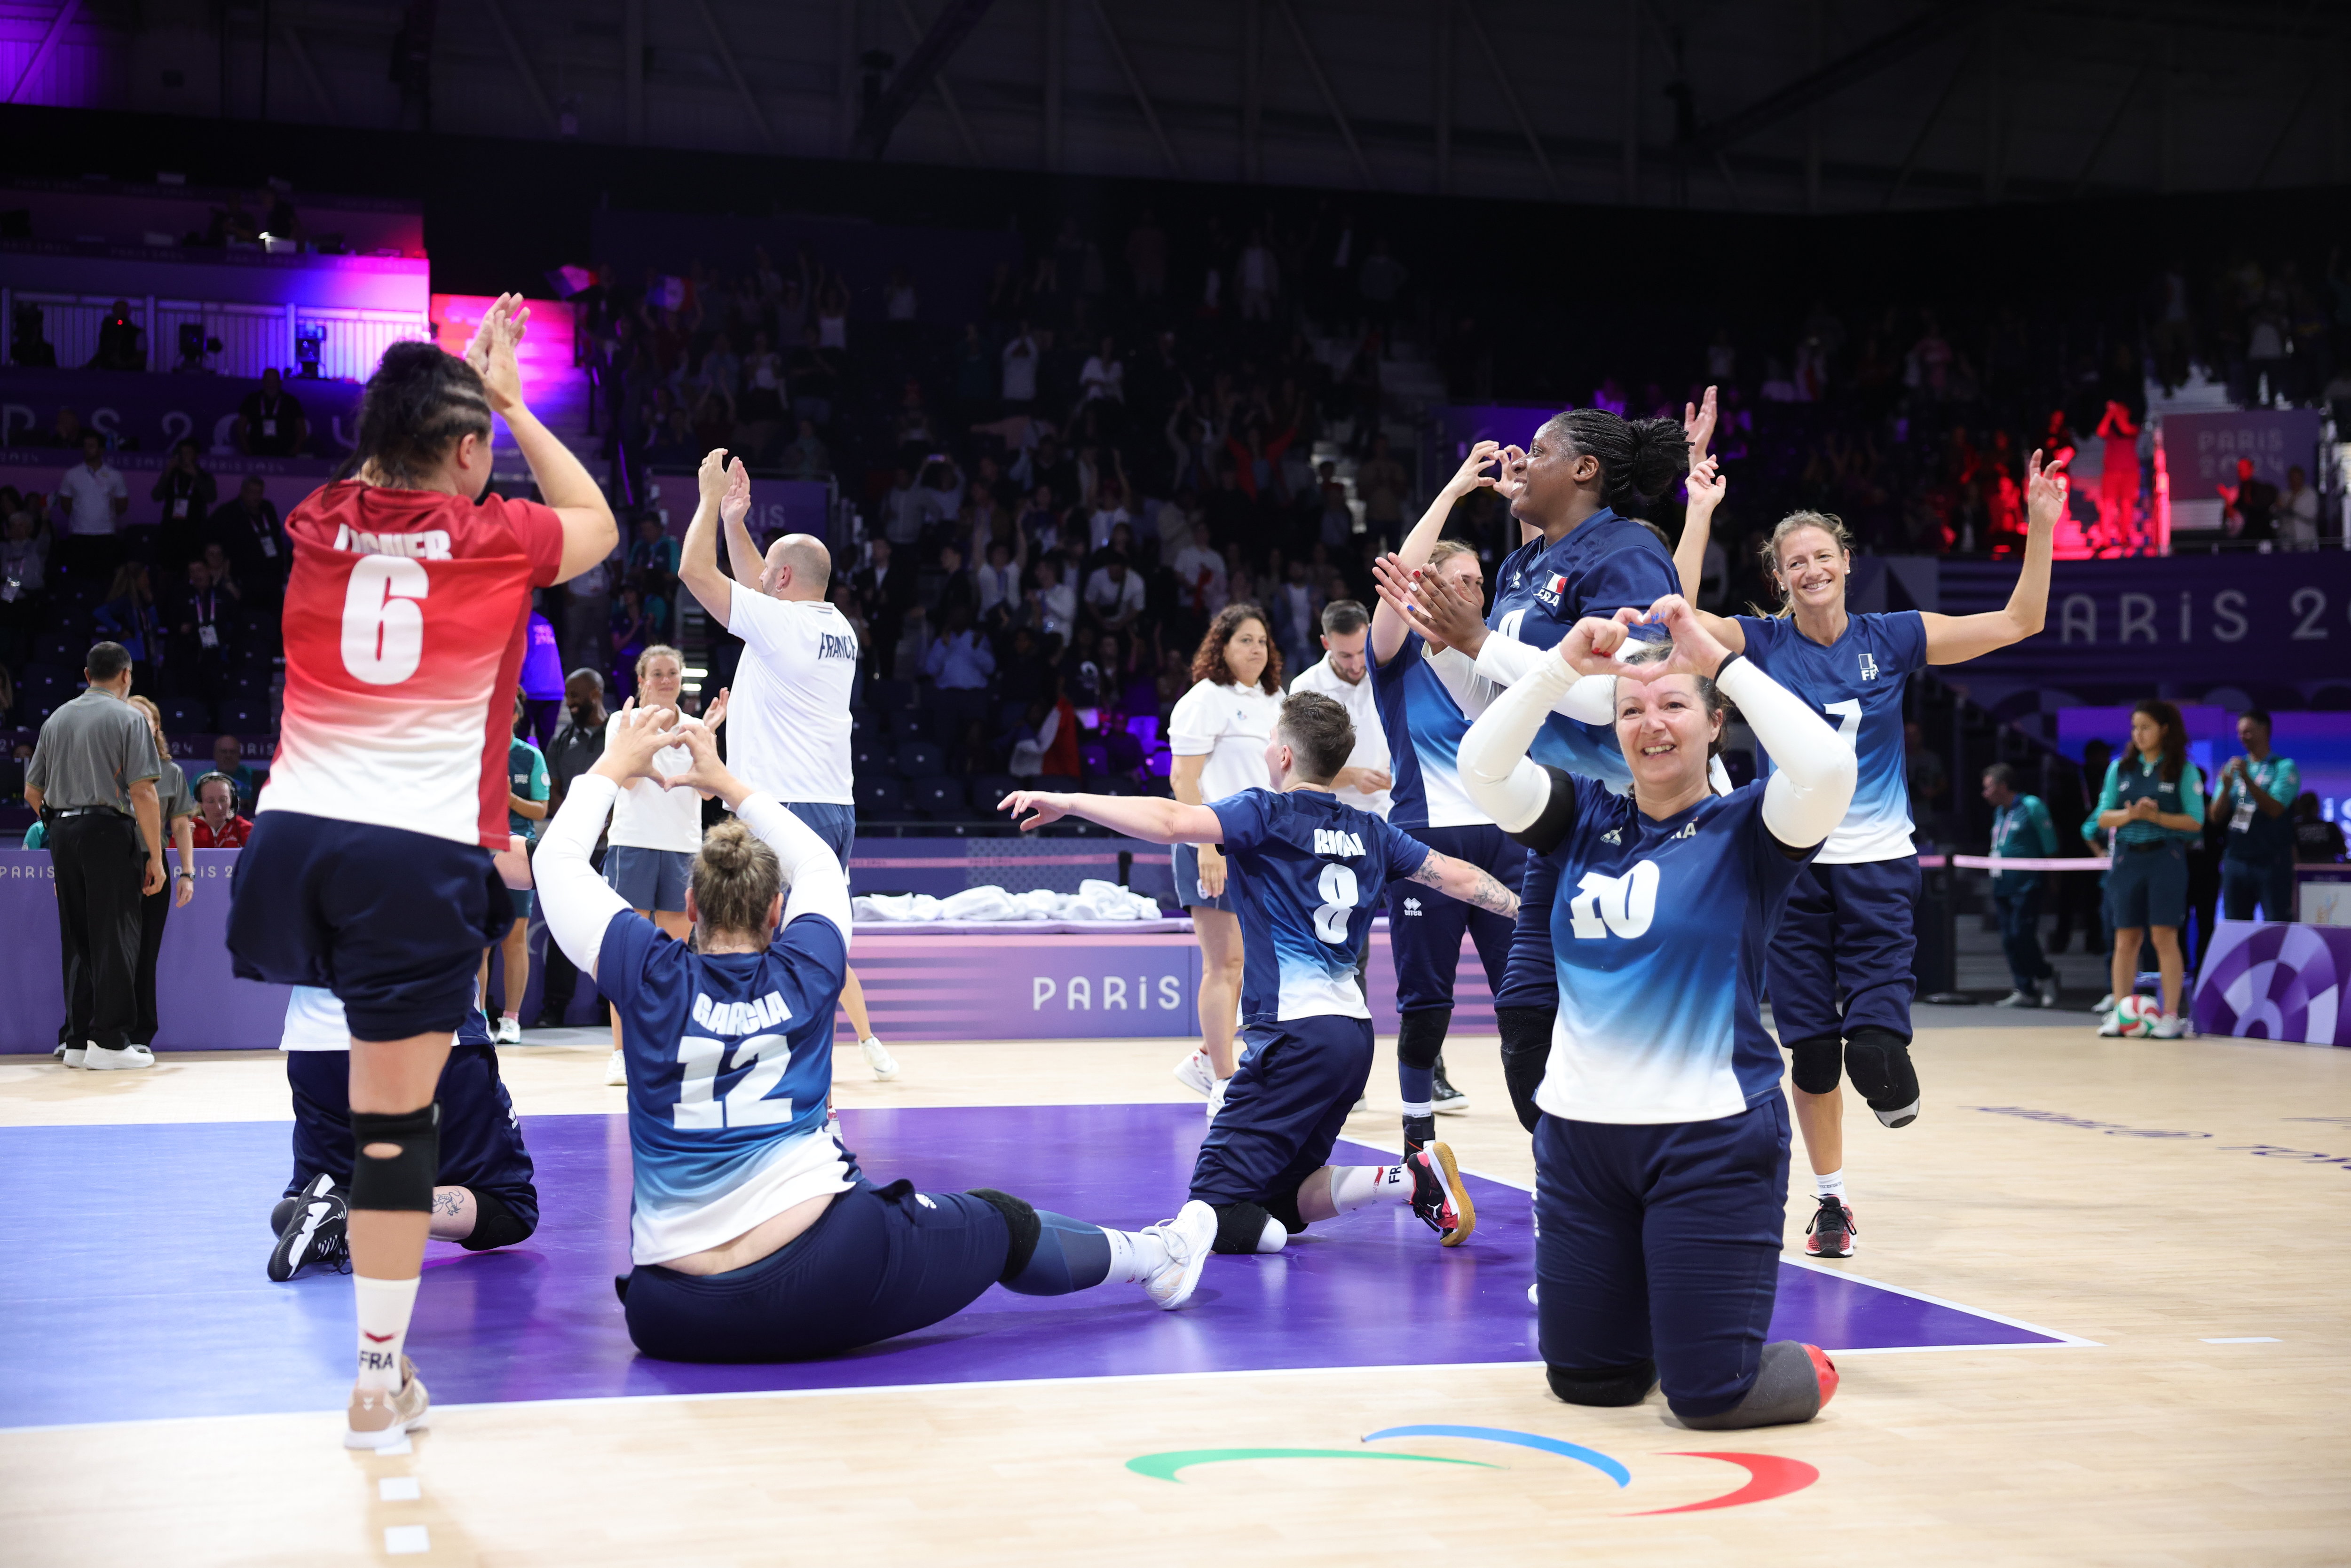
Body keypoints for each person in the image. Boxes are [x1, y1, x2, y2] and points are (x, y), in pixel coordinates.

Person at [223, 296, 617, 1450]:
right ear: (465, 450)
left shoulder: (312, 518)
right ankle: (376, 1381)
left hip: (292, 842)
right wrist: (510, 394)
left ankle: (328, 1223)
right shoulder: (499, 537)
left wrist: (451, 386)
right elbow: (596, 516)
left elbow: (388, 458)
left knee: (353, 1077)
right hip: (411, 854)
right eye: (482, 440)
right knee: (395, 1138)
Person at [536, 707, 1216, 1356]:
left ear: (688, 906)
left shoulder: (647, 969)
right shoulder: (808, 963)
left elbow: (556, 864)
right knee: (998, 1220)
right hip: (825, 1275)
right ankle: (1160, 1258)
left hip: (672, 1314)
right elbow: (819, 865)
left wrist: (612, 764)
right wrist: (728, 784)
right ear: (779, 911)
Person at [1640, 447, 2064, 1257]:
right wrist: (1698, 509)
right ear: (1779, 577)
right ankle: (1831, 1200)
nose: (1810, 570)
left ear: (1846, 565)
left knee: (1872, 1050)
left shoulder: (1893, 638)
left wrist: (2040, 527)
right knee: (1810, 1048)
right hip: (1789, 865)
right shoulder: (1760, 643)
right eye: (1794, 562)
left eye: (1822, 558)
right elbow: (1677, 618)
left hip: (1876, 862)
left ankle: (1887, 1073)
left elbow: (2019, 623)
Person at [1457, 599, 1854, 1429]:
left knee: (1710, 1399)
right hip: (1581, 1142)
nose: (1652, 724)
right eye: (1633, 709)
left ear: (1715, 724)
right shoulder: (1583, 822)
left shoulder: (1750, 829)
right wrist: (1562, 664)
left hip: (1707, 1139)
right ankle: (1669, 1324)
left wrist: (1724, 662)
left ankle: (1796, 1365)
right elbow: (1483, 770)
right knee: (1588, 1384)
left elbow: (1826, 771)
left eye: (1675, 704)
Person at [1002, 691, 1512, 1260]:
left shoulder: (1264, 813)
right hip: (1352, 1038)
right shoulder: (1374, 831)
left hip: (1292, 1036)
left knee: (1211, 1214)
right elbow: (1462, 880)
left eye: (1272, 739)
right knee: (1285, 1198)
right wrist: (1530, 909)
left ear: (1287, 756)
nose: (1267, 748)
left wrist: (1069, 800)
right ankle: (1409, 1180)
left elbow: (1171, 820)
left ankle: (1259, 1230)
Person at [1371, 410, 1699, 1138]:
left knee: (1619, 1026)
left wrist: (1479, 637)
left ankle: (1653, 1182)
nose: (1522, 463)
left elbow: (1626, 697)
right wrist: (1444, 640)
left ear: (1585, 470)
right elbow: (1498, 699)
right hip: (1556, 827)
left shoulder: (1628, 554)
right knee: (1525, 1024)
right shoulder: (1524, 564)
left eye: (1542, 450)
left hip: (1631, 829)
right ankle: (1584, 1184)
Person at [678, 451, 898, 1082]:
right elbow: (759, 583)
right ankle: (807, 1071)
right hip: (835, 807)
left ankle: (746, 1066)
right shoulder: (837, 628)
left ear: (780, 581)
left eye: (767, 573)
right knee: (813, 943)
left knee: (747, 937)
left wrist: (705, 498)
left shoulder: (782, 628)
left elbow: (697, 571)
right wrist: (736, 522)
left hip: (783, 807)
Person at [267, 986, 540, 1283]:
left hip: (317, 1042)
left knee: (311, 1200)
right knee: (510, 1209)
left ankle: (337, 1211)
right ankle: (356, 1215)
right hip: (432, 1034)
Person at [25, 641, 167, 1071]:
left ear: (88, 676)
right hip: (109, 829)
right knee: (115, 937)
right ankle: (109, 1041)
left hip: (62, 830)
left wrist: (62, 827)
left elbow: (34, 792)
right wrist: (156, 858)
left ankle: (77, 1041)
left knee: (78, 936)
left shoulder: (56, 718)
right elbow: (143, 791)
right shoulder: (128, 717)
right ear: (126, 676)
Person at [1165, 604, 1285, 1113]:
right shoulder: (1205, 699)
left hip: (1262, 847)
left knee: (1263, 965)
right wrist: (1206, 847)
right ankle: (1220, 1080)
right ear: (1221, 646)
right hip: (1211, 842)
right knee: (1225, 963)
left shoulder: (1277, 699)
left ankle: (1203, 1057)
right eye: (1244, 640)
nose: (1255, 648)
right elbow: (1183, 780)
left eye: (1261, 640)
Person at [600, 646, 721, 1083]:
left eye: (673, 672)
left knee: (673, 958)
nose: (666, 679)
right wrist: (652, 736)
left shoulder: (694, 727)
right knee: (627, 952)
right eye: (657, 673)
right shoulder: (624, 722)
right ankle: (620, 1052)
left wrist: (705, 738)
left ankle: (668, 1049)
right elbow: (627, 779)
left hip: (681, 849)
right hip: (631, 846)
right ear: (642, 680)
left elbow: (709, 793)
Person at [2092, 700, 2205, 1038]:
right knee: (2126, 937)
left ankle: (2171, 1014)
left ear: (2165, 729)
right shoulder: (2120, 768)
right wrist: (2131, 814)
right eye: (2134, 728)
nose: (2138, 734)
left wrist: (2156, 816)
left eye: (2146, 727)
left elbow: (2196, 821)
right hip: (2128, 858)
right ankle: (2120, 1010)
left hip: (2165, 858)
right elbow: (2102, 816)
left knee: (2164, 936)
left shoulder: (2182, 769)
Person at [534, 669, 610, 1029]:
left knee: (615, 925)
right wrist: (583, 820)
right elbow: (552, 795)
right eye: (567, 695)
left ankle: (610, 1005)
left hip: (613, 846)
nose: (570, 701)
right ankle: (554, 1007)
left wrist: (606, 821)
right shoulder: (561, 741)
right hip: (575, 847)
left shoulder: (619, 734)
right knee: (563, 927)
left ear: (596, 692)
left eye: (576, 694)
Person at [125, 696, 197, 1050]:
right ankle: (102, 1030)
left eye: (146, 720)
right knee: (108, 951)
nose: (139, 725)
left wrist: (188, 872)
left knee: (145, 952)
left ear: (157, 727)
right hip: (110, 860)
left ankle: (141, 1034)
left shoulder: (171, 773)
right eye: (131, 717)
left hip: (154, 863)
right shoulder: (108, 765)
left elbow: (181, 826)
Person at [481, 693, 549, 1045]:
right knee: (479, 942)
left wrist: (510, 801)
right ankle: (477, 1015)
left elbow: (541, 809)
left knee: (515, 939)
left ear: (517, 715)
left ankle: (511, 1020)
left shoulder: (529, 755)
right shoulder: (476, 749)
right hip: (479, 851)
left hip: (517, 853)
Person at [1286, 600, 1392, 817]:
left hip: (1390, 810)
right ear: (1326, 643)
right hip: (1331, 815)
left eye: (1362, 651)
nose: (1356, 665)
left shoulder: (1389, 674)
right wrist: (1352, 777)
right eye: (1345, 655)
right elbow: (1296, 769)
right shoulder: (1305, 687)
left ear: (1371, 632)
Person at [2209, 709, 2297, 924]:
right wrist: (2225, 789)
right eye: (2239, 733)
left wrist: (2248, 780)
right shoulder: (2232, 767)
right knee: (2235, 926)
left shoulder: (2283, 767)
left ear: (2264, 730)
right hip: (2236, 859)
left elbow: (2276, 809)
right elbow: (2214, 816)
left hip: (2272, 860)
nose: (2242, 738)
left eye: (2247, 732)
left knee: (2276, 924)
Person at [1982, 763, 2059, 1009]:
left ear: (2003, 786)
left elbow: (2051, 845)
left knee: (2022, 934)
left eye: (1989, 788)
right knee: (2008, 939)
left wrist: (2054, 881)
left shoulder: (2032, 806)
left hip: (2027, 884)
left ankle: (2047, 976)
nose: (1985, 794)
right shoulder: (2000, 812)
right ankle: (2025, 988)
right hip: (2002, 884)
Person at [55, 432, 129, 585]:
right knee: (78, 578)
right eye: (85, 446)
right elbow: (65, 504)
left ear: (101, 450)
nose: (87, 449)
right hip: (79, 534)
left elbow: (122, 505)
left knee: (105, 579)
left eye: (91, 446)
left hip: (106, 535)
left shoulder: (115, 475)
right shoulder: (72, 474)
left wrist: (105, 517)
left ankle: (101, 608)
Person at [236, 367, 309, 456]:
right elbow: (241, 428)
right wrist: (247, 451)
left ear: (280, 382)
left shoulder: (291, 402)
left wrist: (294, 451)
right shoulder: (252, 400)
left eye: (274, 381)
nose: (271, 385)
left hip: (285, 453)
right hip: (257, 452)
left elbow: (302, 430)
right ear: (263, 382)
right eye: (268, 381)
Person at [191, 769, 252, 846]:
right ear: (201, 803)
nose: (219, 808)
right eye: (211, 801)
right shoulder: (187, 830)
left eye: (223, 800)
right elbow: (173, 856)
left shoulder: (247, 829)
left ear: (233, 801)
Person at [210, 733, 259, 807]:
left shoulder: (254, 777)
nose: (228, 756)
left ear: (239, 755)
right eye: (224, 752)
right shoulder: (201, 778)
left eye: (233, 752)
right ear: (215, 755)